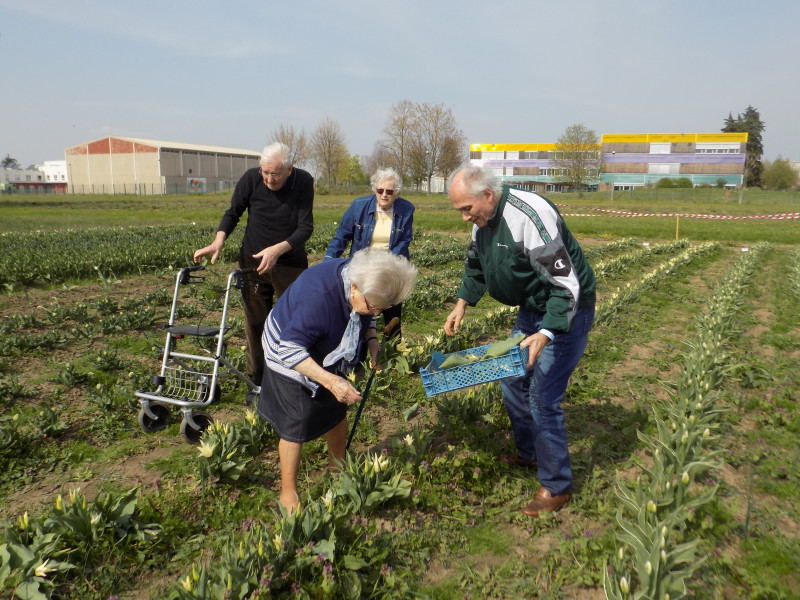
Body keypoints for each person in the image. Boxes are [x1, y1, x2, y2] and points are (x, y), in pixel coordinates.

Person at [443, 166, 596, 518]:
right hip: (532, 308)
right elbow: (475, 264)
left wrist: (546, 333)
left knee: (544, 395)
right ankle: (529, 453)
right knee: (512, 378)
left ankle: (557, 486)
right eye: (460, 211)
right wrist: (462, 302)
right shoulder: (481, 221)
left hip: (566, 311)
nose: (465, 217)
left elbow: (566, 285)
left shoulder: (530, 215)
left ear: (488, 195)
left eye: (467, 209)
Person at [258, 248, 418, 511]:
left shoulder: (364, 283)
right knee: (295, 423)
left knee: (335, 410)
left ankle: (337, 468)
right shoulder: (319, 297)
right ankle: (289, 494)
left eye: (383, 308)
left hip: (326, 344)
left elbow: (368, 312)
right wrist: (331, 382)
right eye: (374, 306)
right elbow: (290, 349)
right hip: (287, 348)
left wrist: (373, 342)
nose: (376, 312)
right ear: (354, 287)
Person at [193, 142, 314, 386]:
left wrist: (277, 250)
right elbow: (233, 213)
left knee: (296, 320)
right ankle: (257, 381)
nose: (269, 178)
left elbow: (305, 228)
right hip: (253, 261)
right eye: (265, 172)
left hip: (289, 263)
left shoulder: (303, 181)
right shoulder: (250, 179)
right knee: (255, 322)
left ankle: (295, 377)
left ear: (289, 169)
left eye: (275, 173)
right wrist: (219, 241)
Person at [324, 167, 414, 338]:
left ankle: (392, 355)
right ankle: (359, 354)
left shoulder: (406, 210)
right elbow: (341, 237)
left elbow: (404, 242)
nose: (384, 194)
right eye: (380, 190)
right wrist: (328, 262)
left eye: (389, 191)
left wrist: (385, 266)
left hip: (390, 269)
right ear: (375, 190)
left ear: (397, 193)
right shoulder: (359, 206)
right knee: (360, 314)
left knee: (392, 315)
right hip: (363, 269)